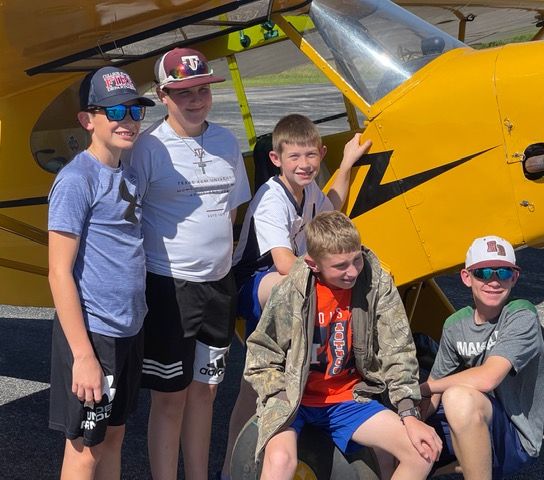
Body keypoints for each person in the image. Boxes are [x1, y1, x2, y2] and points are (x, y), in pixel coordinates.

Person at [220, 115, 371, 479]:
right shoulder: (272, 198)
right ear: (276, 160)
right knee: (301, 284)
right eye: (294, 158)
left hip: (289, 285)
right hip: (255, 285)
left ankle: (315, 367)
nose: (304, 165)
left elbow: (331, 208)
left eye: (311, 156)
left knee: (250, 386)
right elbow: (285, 264)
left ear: (320, 154)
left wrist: (347, 163)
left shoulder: (307, 191)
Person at [127, 47, 251, 480]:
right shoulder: (148, 149)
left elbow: (230, 210)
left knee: (207, 393)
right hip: (169, 289)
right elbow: (129, 217)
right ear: (163, 95)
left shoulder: (225, 141)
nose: (195, 100)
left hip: (219, 287)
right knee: (170, 397)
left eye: (202, 90)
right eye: (183, 93)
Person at [244, 211, 442, 480]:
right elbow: (261, 352)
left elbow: (398, 349)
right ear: (313, 264)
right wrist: (278, 397)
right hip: (295, 400)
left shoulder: (376, 282)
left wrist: (409, 413)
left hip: (348, 398)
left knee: (421, 452)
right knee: (280, 462)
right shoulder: (291, 289)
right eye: (340, 266)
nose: (352, 272)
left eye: (356, 260)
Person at [47, 66, 154, 479]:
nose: (127, 120)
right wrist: (84, 356)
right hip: (95, 334)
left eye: (134, 111)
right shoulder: (77, 180)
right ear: (87, 120)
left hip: (129, 330)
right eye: (116, 111)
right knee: (85, 450)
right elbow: (59, 273)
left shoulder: (125, 172)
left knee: (114, 437)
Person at [420, 235, 544, 480]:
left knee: (457, 396)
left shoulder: (522, 315)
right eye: (483, 272)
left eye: (502, 273)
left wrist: (425, 387)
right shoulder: (456, 324)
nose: (493, 281)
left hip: (515, 438)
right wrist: (412, 418)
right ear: (466, 277)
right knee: (397, 426)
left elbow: (488, 378)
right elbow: (435, 391)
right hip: (472, 418)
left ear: (515, 277)